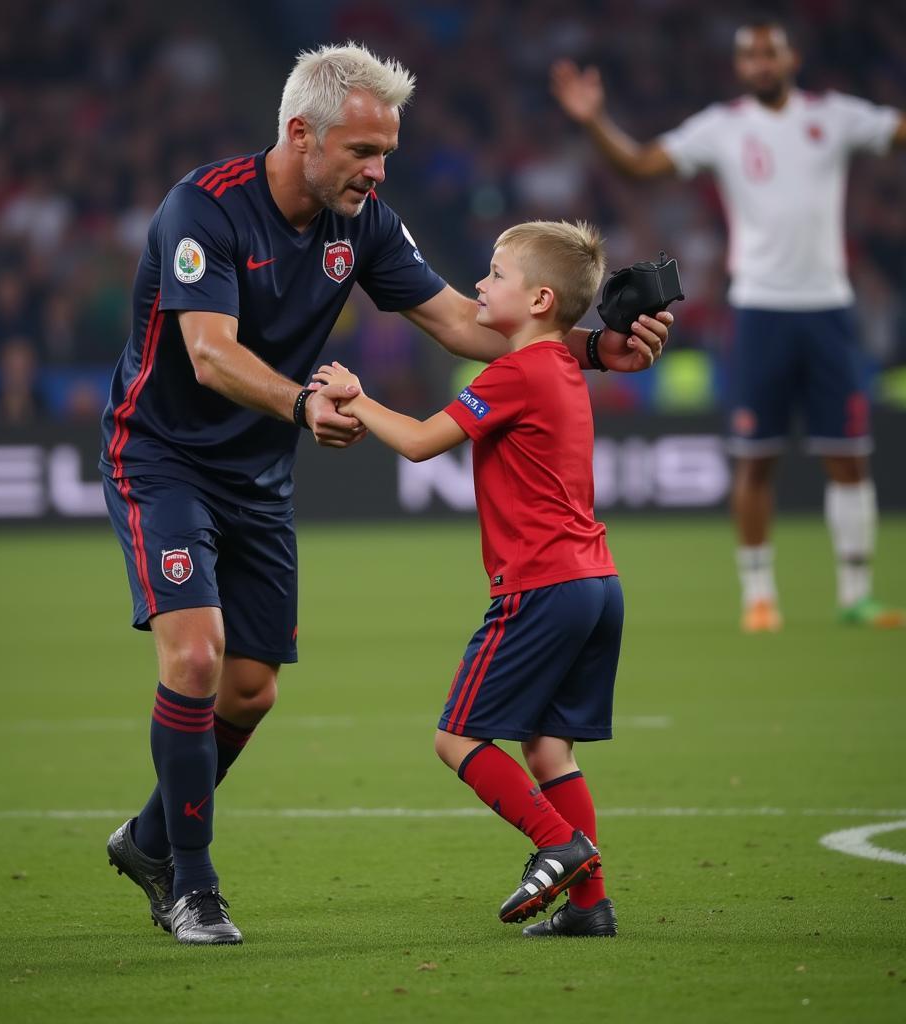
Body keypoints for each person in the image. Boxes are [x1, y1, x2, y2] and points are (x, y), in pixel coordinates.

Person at [99, 42, 670, 946]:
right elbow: (207, 354)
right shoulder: (202, 211)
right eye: (363, 152)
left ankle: (150, 836)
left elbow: (460, 321)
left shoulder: (359, 223)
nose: (379, 171)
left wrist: (597, 348)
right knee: (198, 661)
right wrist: (300, 401)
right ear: (301, 135)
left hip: (258, 476)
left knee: (250, 692)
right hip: (165, 458)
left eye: (387, 153)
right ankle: (190, 883)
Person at [314, 219, 648, 938]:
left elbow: (418, 443)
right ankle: (590, 907)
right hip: (597, 583)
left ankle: (558, 845)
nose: (480, 284)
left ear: (538, 301)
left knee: (458, 740)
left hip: (540, 588)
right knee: (549, 747)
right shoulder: (560, 365)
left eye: (496, 274)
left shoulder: (515, 372)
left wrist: (354, 394)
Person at [551, 19, 906, 632]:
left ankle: (855, 593)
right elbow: (640, 164)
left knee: (848, 457)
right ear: (739, 66)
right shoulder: (724, 126)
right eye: (749, 55)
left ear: (791, 55)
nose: (760, 63)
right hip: (759, 309)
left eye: (769, 52)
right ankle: (759, 596)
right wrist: (592, 121)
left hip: (828, 307)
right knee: (755, 458)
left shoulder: (836, 116)